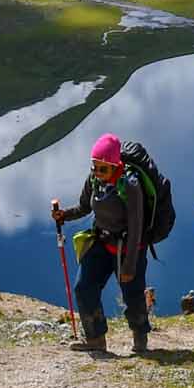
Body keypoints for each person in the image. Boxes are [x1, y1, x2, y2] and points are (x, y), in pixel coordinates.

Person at [50, 132, 150, 356]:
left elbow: (136, 227)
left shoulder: (130, 185)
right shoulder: (94, 180)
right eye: (94, 166)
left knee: (132, 293)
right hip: (102, 241)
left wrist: (130, 265)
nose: (97, 172)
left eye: (102, 168)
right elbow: (85, 207)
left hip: (128, 246)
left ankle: (140, 337)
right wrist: (65, 215)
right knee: (84, 287)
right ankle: (95, 339)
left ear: (116, 165)